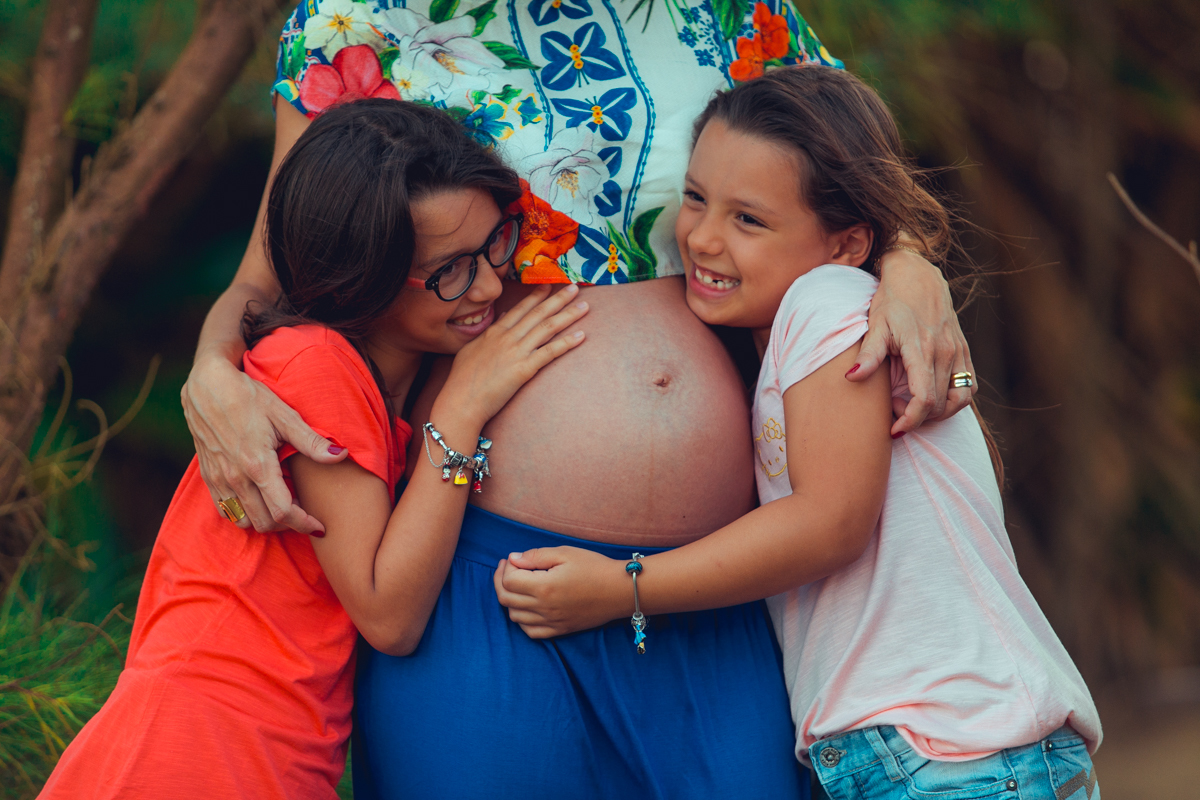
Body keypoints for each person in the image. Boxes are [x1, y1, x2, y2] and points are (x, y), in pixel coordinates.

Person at [180, 0, 978, 796]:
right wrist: (213, 369)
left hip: (717, 583)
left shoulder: (728, 12)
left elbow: (852, 184)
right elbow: (274, 273)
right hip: (495, 578)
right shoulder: (356, 23)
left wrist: (908, 260)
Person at [494, 66, 1103, 800]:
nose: (704, 238)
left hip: (952, 752)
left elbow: (832, 522)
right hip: (922, 751)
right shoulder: (798, 327)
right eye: (694, 199)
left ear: (846, 244)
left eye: (748, 219)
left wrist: (623, 587)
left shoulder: (830, 301)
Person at [38, 100, 589, 800]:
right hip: (205, 746)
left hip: (251, 744)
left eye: (497, 246)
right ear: (365, 272)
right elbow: (388, 615)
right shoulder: (314, 366)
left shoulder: (364, 376)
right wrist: (461, 408)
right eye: (450, 271)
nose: (487, 285)